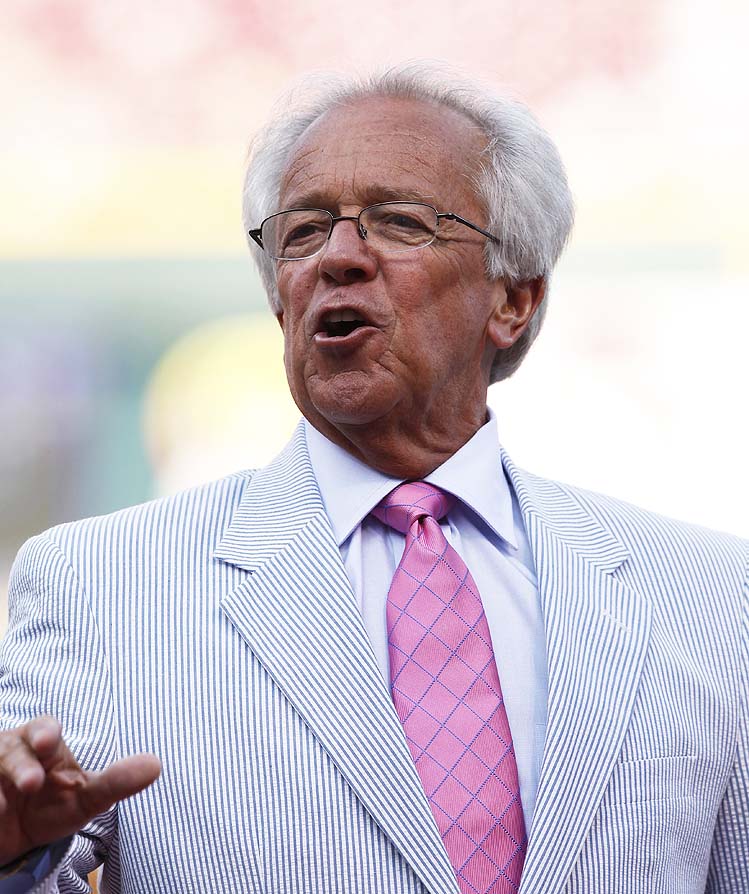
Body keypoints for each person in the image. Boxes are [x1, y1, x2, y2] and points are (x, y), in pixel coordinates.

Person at [0, 62, 746, 894]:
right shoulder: (101, 586)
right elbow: (28, 833)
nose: (339, 257)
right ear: (281, 299)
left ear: (514, 300)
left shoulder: (712, 594)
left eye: (397, 222)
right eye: (303, 230)